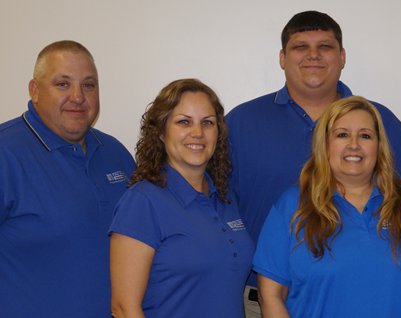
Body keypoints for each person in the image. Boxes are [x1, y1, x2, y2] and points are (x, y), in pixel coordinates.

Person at [225, 11, 401, 316]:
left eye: (325, 46)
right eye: (300, 46)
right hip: (264, 300)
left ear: (342, 56)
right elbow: (214, 209)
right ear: (282, 57)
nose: (313, 55)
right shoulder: (241, 123)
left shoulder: (381, 122)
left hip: (364, 300)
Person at [253, 96, 401, 318]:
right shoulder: (291, 206)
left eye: (365, 136)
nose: (354, 144)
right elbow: (270, 294)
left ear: (379, 146)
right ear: (324, 145)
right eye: (342, 134)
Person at [0, 40, 135, 317]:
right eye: (63, 84)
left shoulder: (115, 154)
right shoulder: (6, 153)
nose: (77, 96)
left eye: (88, 85)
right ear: (34, 91)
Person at [109, 79, 254, 317]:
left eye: (207, 123)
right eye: (184, 122)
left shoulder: (225, 199)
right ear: (161, 133)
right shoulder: (142, 202)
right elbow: (124, 308)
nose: (197, 133)